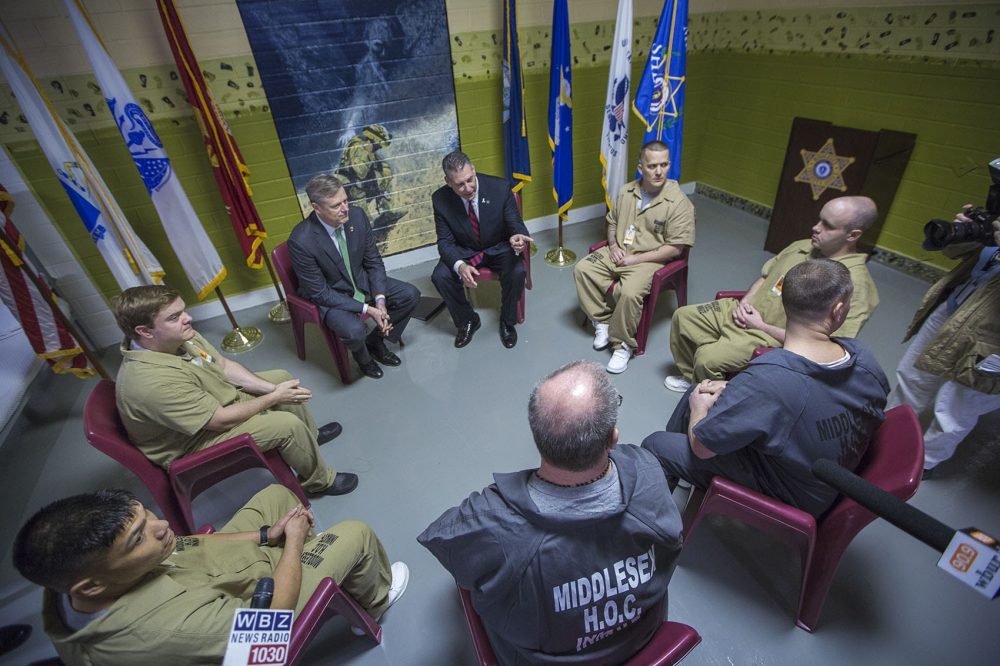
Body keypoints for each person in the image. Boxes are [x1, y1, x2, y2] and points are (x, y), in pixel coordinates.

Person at [419, 361, 683, 664]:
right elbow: (670, 548)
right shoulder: (648, 472)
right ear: (613, 438)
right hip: (639, 640)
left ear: (539, 439)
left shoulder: (490, 524)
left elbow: (447, 543)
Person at [13, 485, 409, 665]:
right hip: (261, 617)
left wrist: (265, 535)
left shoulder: (76, 583)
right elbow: (267, 632)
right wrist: (291, 545)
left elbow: (190, 546)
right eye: (139, 538)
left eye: (147, 514)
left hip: (205, 577)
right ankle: (371, 601)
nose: (163, 525)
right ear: (93, 584)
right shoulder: (168, 630)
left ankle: (315, 560)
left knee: (275, 496)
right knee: (355, 533)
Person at [643, 260, 889, 517]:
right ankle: (676, 471)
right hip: (826, 473)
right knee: (697, 389)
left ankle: (653, 514)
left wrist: (699, 409)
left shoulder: (768, 377)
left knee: (658, 442)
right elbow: (812, 398)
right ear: (838, 311)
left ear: (785, 303)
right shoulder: (864, 359)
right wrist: (735, 389)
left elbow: (701, 448)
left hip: (793, 494)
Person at [113, 285, 357, 496]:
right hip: (190, 442)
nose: (188, 318)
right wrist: (273, 397)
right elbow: (218, 421)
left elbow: (223, 366)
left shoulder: (177, 338)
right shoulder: (152, 381)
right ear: (144, 331)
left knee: (281, 378)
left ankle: (309, 437)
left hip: (212, 400)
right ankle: (319, 481)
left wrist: (271, 388)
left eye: (184, 311)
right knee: (285, 425)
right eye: (174, 317)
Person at [664, 195, 880, 392]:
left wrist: (759, 325)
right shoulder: (802, 246)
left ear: (853, 235)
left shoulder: (853, 284)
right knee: (683, 317)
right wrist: (744, 303)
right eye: (819, 220)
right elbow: (766, 277)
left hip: (769, 336)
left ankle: (711, 400)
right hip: (746, 312)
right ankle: (694, 379)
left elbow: (828, 345)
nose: (815, 227)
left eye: (828, 226)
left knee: (707, 358)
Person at [887, 211, 1000, 475]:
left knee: (956, 406)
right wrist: (964, 231)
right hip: (956, 310)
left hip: (993, 339)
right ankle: (888, 433)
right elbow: (957, 255)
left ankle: (925, 463)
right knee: (912, 375)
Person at [574, 141, 695, 374]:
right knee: (583, 269)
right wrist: (613, 244)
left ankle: (622, 345)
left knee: (629, 293)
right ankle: (602, 321)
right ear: (641, 168)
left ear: (669, 165)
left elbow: (675, 249)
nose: (659, 171)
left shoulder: (679, 203)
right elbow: (612, 223)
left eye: (663, 165)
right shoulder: (626, 191)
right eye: (652, 166)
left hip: (649, 260)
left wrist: (633, 260)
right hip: (618, 251)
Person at [288, 174, 420, 379]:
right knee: (354, 331)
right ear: (317, 208)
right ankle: (364, 360)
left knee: (410, 295)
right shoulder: (301, 241)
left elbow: (373, 261)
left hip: (360, 281)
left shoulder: (357, 216)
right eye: (336, 205)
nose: (345, 208)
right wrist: (369, 310)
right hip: (332, 295)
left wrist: (380, 300)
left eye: (345, 200)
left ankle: (376, 342)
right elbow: (320, 292)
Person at [431, 150, 534, 349]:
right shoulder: (440, 200)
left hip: (498, 247)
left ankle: (507, 321)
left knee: (517, 271)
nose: (468, 188)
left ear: (474, 171)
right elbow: (444, 242)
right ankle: (468, 320)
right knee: (440, 276)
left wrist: (518, 236)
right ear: (448, 181)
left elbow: (515, 223)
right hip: (465, 250)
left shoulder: (500, 188)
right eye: (460, 184)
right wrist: (460, 266)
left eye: (470, 179)